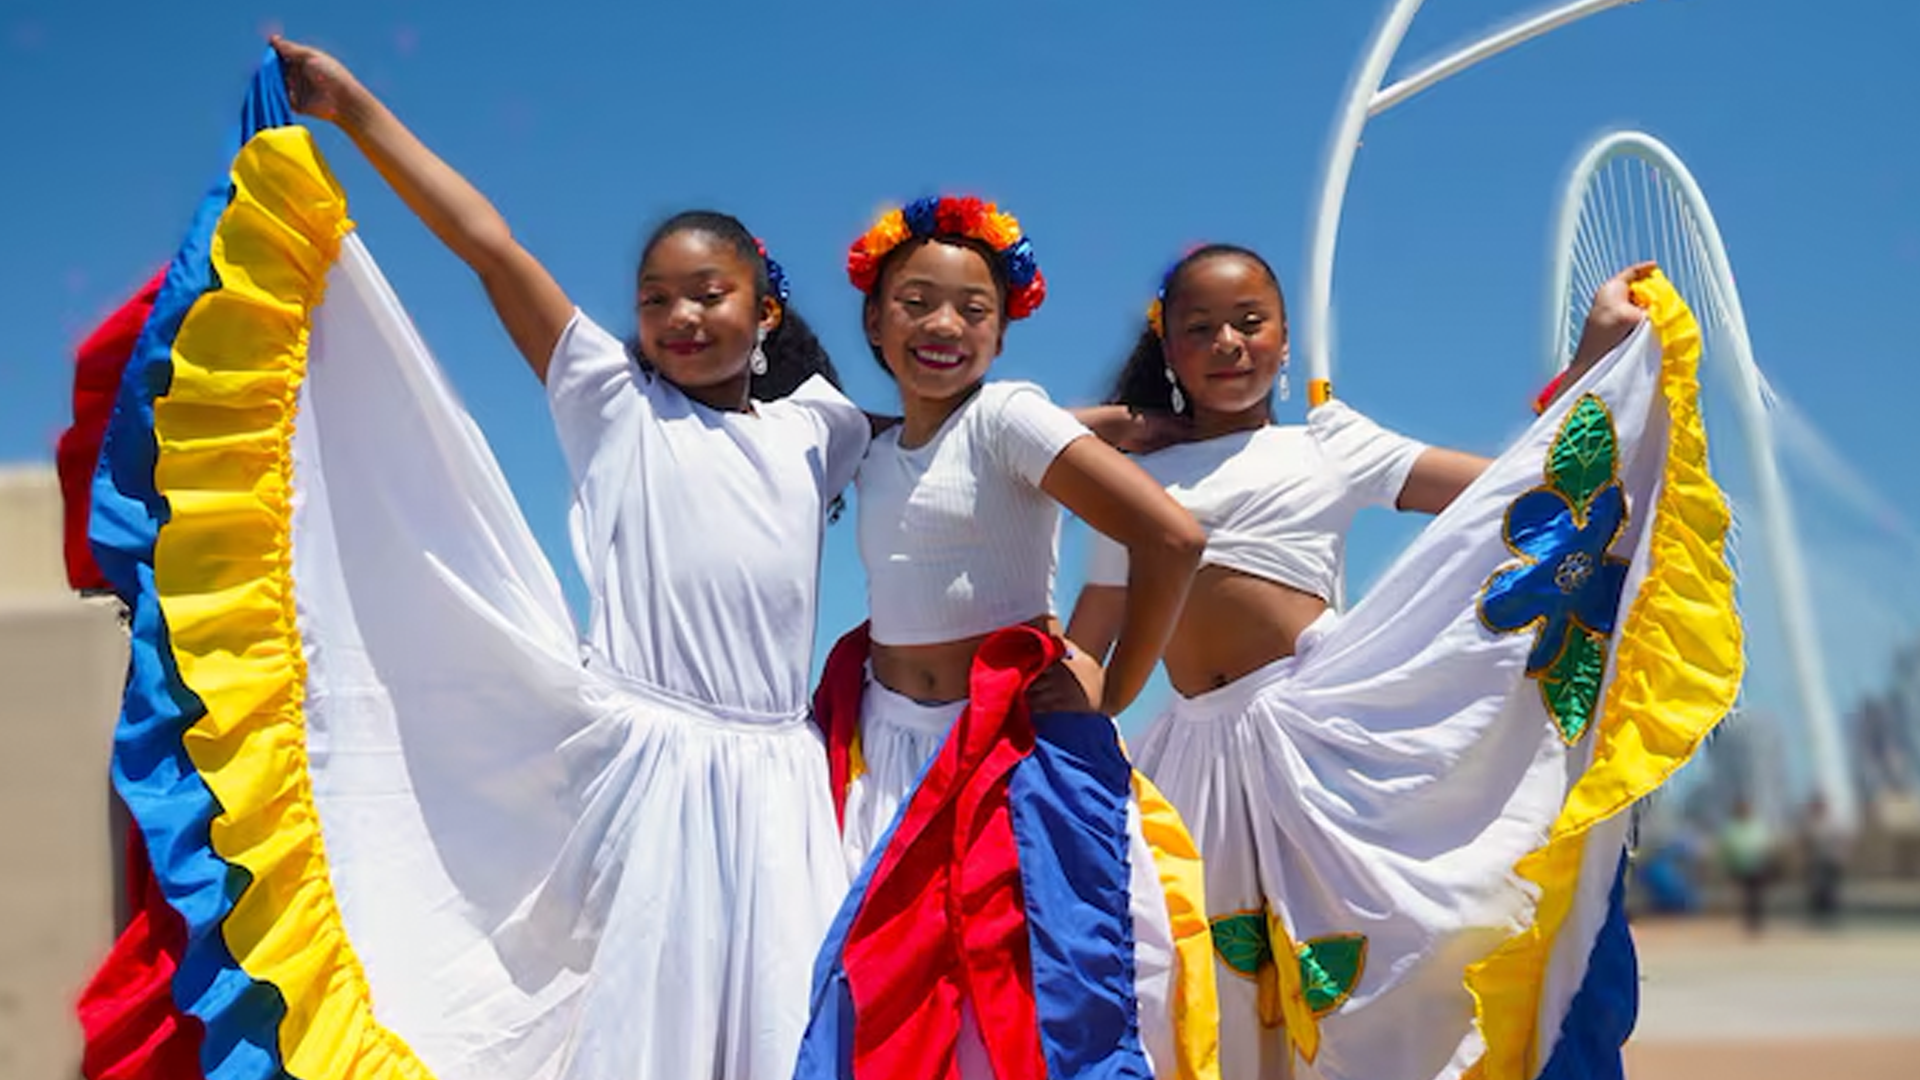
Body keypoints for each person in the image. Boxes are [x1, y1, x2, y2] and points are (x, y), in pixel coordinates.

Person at [270, 37, 871, 1079]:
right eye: (655, 298)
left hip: (777, 777)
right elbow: (490, 246)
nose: (680, 317)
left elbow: (951, 442)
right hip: (646, 766)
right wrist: (354, 108)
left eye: (708, 293)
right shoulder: (610, 398)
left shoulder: (818, 427)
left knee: (782, 1030)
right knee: (642, 1031)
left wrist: (1112, 436)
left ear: (765, 310)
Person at [1068, 246, 1689, 1079]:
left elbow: (1507, 496)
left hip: (1315, 736)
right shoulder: (1126, 477)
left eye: (1250, 323)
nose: (1228, 343)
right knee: (1199, 982)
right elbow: (1093, 633)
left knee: (1379, 957)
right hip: (1192, 757)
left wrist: (1589, 363)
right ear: (1169, 348)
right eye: (1200, 329)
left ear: (1285, 339)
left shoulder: (1329, 442)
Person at [799, 196, 1217, 1079]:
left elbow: (1172, 538)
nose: (943, 325)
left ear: (1001, 329)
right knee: (885, 997)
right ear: (874, 320)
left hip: (999, 755)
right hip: (884, 753)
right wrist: (1114, 421)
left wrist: (1115, 686)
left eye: (972, 309)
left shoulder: (1009, 415)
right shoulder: (869, 448)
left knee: (1015, 1004)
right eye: (915, 303)